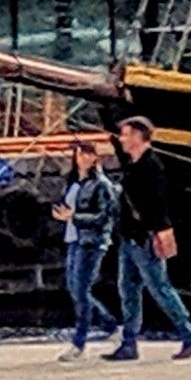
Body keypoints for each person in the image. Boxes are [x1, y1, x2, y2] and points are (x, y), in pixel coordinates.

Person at [104, 115, 191, 362]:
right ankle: (129, 343)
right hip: (128, 237)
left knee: (159, 287)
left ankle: (188, 335)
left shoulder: (152, 166)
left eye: (126, 134)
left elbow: (157, 205)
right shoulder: (134, 163)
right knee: (128, 290)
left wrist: (156, 232)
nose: (122, 139)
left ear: (138, 136)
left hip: (144, 238)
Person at [51, 138, 119, 360]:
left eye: (88, 154)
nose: (83, 158)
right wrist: (63, 215)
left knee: (80, 290)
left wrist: (75, 217)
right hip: (73, 238)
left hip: (91, 241)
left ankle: (79, 343)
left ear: (95, 158)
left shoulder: (100, 184)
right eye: (80, 154)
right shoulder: (73, 182)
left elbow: (105, 216)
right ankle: (109, 324)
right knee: (76, 289)